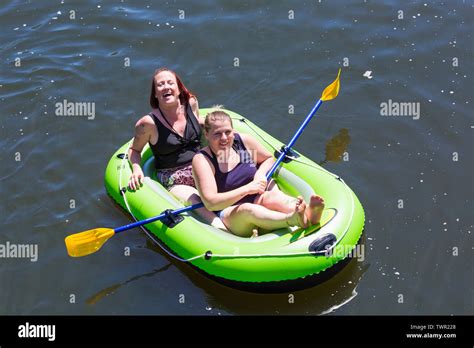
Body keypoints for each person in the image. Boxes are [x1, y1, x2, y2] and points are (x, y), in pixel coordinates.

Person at [192, 109, 325, 237]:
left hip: (257, 197)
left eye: (228, 132)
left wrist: (260, 174)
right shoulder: (203, 160)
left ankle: (309, 213)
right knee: (248, 209)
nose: (224, 138)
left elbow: (268, 159)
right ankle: (292, 219)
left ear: (233, 131)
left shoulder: (242, 142)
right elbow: (211, 203)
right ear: (206, 135)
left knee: (272, 198)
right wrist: (247, 189)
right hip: (230, 212)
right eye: (217, 134)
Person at [127, 68, 225, 229]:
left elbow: (199, 123)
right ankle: (221, 228)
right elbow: (135, 150)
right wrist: (137, 168)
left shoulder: (191, 103)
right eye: (160, 85)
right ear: (156, 95)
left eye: (170, 82)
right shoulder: (147, 124)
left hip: (201, 162)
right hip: (174, 175)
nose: (166, 87)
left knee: (229, 180)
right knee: (196, 201)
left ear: (179, 89)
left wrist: (219, 128)